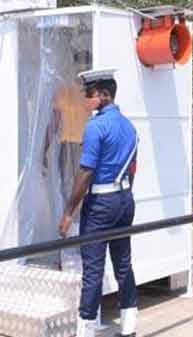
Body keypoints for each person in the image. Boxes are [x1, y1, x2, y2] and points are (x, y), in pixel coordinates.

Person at [58, 68, 138, 337]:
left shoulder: (95, 126)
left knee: (93, 268)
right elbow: (132, 169)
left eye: (89, 94)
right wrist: (122, 195)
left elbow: (85, 172)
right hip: (124, 199)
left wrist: (68, 212)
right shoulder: (129, 126)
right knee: (123, 262)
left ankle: (86, 329)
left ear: (103, 95)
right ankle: (129, 326)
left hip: (100, 203)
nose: (86, 99)